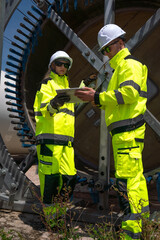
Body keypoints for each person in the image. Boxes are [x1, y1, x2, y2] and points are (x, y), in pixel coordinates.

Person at [75, 24, 149, 239]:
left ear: (120, 43)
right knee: (132, 180)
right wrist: (96, 99)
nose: (106, 54)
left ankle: (131, 233)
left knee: (128, 182)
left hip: (128, 132)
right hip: (124, 134)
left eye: (108, 49)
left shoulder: (129, 65)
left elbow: (128, 94)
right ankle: (137, 227)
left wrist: (96, 98)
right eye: (103, 51)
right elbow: (117, 101)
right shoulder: (119, 70)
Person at [33, 50, 77, 206]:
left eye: (66, 64)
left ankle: (60, 214)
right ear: (51, 65)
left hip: (66, 141)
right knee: (50, 180)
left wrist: (86, 84)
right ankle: (51, 220)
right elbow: (44, 110)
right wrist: (54, 103)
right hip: (49, 139)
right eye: (59, 63)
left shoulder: (66, 89)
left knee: (69, 177)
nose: (62, 67)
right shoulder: (47, 84)